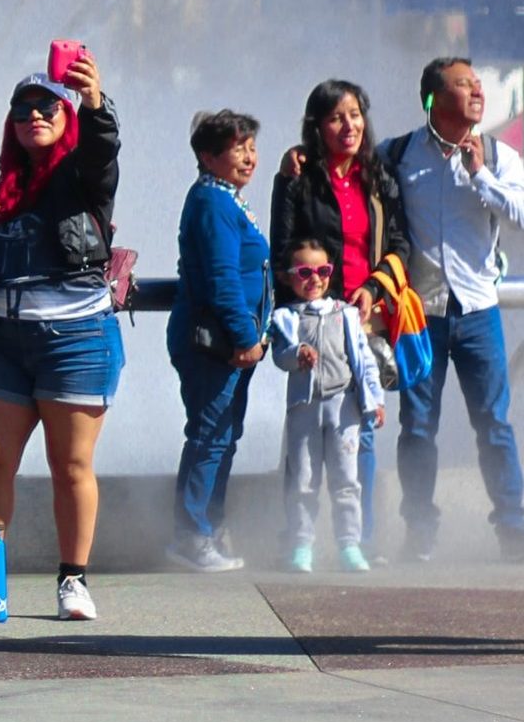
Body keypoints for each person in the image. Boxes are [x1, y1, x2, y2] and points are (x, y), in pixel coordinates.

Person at [0, 53, 121, 622]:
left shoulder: (82, 172)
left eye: (47, 105)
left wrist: (94, 102)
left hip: (76, 337)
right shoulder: (4, 186)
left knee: (70, 463)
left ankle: (73, 580)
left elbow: (104, 150)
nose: (34, 114)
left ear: (66, 113)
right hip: (7, 340)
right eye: (23, 107)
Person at [387, 56, 524, 561]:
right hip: (419, 314)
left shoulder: (498, 156)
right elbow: (348, 179)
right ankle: (419, 531)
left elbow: (521, 216)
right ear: (432, 98)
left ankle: (513, 530)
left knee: (494, 424)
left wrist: (481, 176)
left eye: (477, 84)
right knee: (417, 425)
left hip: (479, 312)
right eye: (463, 85)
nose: (477, 92)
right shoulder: (398, 155)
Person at [270, 78, 409, 549]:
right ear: (317, 126)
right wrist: (297, 316)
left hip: (362, 318)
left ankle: (357, 541)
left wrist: (373, 289)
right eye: (335, 117)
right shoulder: (298, 177)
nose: (348, 125)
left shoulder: (378, 174)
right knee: (305, 431)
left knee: (361, 428)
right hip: (314, 321)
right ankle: (300, 541)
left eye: (354, 114)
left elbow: (400, 245)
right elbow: (281, 249)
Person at [165, 110, 270, 572]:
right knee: (210, 435)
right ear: (208, 156)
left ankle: (208, 526)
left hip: (228, 345)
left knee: (223, 436)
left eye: (251, 146)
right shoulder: (212, 203)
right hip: (216, 345)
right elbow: (223, 278)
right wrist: (247, 337)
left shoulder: (226, 198)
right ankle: (191, 534)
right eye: (237, 147)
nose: (248, 156)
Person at [269, 236, 386, 571]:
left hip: (343, 405)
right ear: (291, 277)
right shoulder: (286, 317)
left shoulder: (345, 314)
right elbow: (280, 357)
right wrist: (296, 355)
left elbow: (362, 360)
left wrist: (374, 400)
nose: (314, 279)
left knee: (346, 479)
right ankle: (301, 544)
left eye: (322, 270)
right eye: (304, 272)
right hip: (304, 407)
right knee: (303, 479)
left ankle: (350, 545)